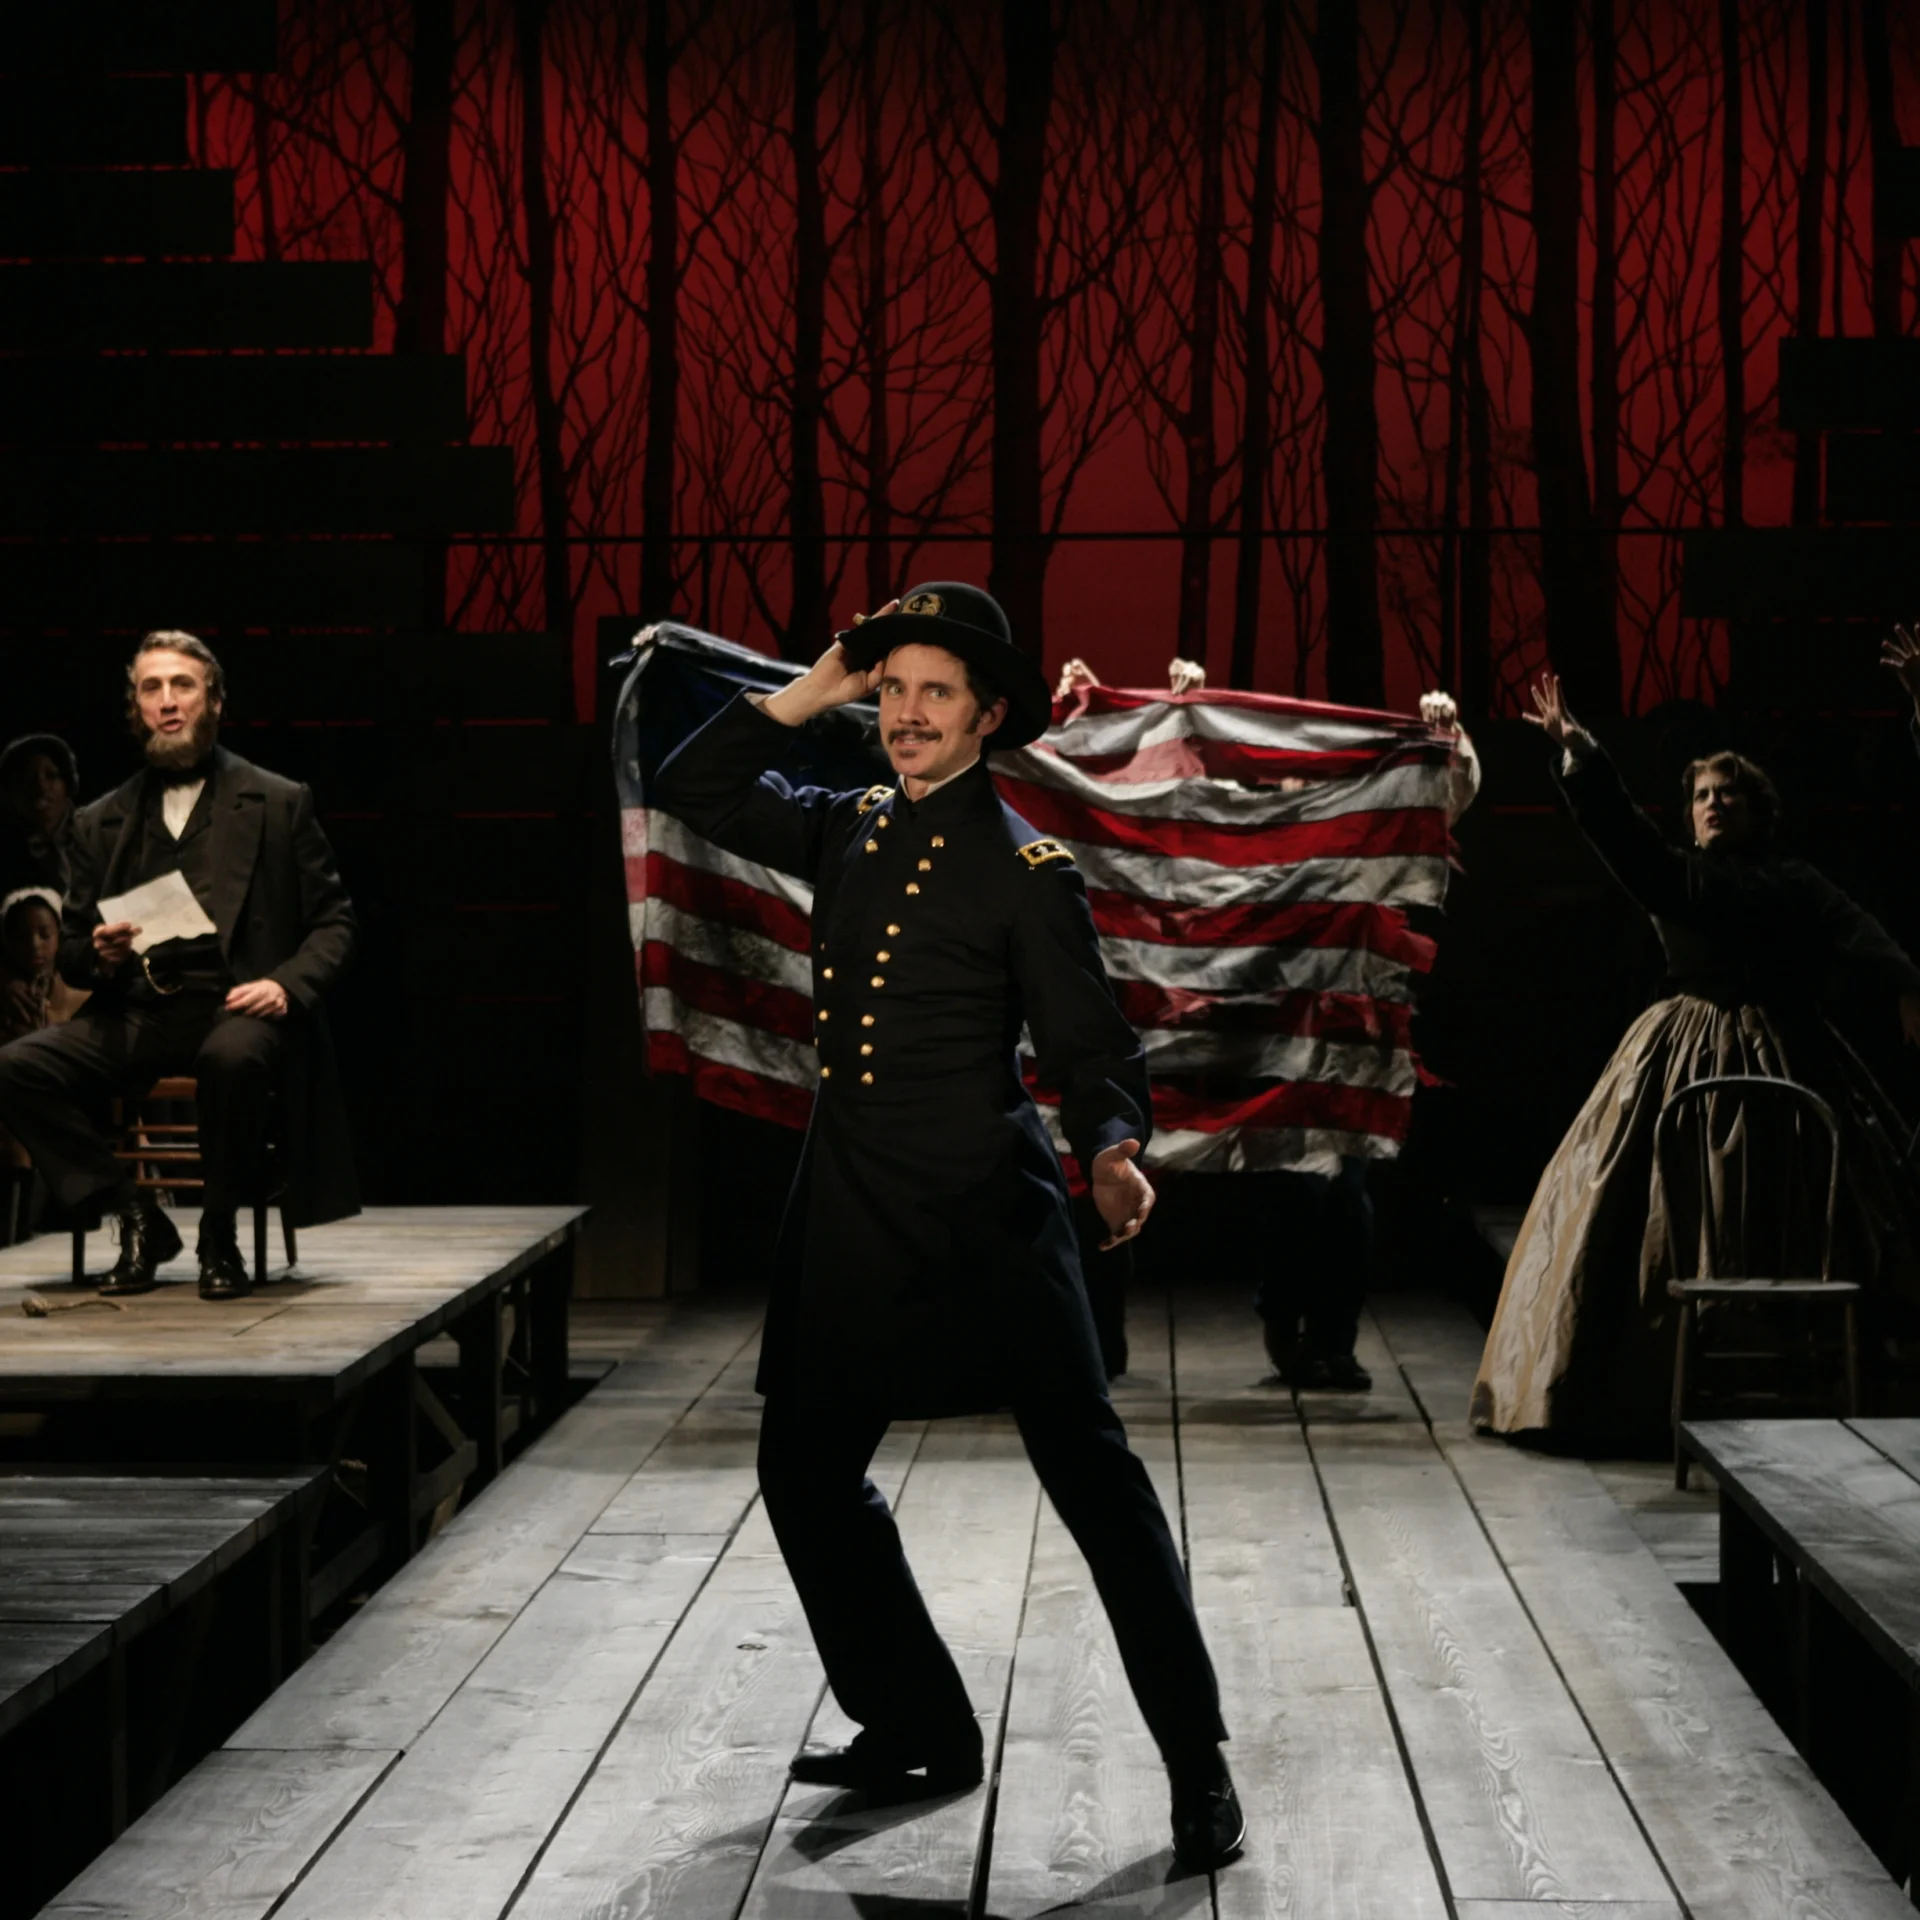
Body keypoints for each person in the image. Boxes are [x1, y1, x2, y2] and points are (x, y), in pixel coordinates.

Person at [654, 582, 1243, 1873]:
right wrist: (812, 693)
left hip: (986, 1212)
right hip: (854, 1206)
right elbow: (690, 785)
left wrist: (1114, 1151)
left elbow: (1093, 1047)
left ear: (986, 715)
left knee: (1097, 1486)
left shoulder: (1027, 869)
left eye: (935, 692)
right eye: (895, 687)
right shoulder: (850, 824)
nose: (908, 714)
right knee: (803, 1471)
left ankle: (1199, 1766)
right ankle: (918, 1721)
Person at [1471, 672, 1920, 1447]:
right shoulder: (1678, 875)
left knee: (1826, 1198)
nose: (1715, 804)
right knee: (1643, 1202)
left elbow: (1858, 929)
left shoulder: (1795, 882)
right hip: (1683, 1050)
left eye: (1730, 794)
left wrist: (1908, 984)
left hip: (1790, 1053)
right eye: (1703, 795)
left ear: (1757, 810)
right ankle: (1643, 1389)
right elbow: (1618, 832)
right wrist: (1580, 751)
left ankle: (1809, 1374)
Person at [0, 632, 360, 1301]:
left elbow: (335, 922)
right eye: (151, 688)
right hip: (141, 1008)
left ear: (215, 701)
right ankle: (134, 1213)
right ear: (135, 709)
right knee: (16, 1067)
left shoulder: (278, 801)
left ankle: (218, 1233)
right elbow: (75, 951)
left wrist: (285, 985)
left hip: (236, 1003)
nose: (167, 702)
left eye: (183, 686)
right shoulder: (101, 820)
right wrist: (98, 954)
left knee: (232, 1057)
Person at [0, 733, 79, 896]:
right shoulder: (6, 858)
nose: (41, 787)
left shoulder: (97, 835)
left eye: (51, 776)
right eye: (27, 778)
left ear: (67, 784)